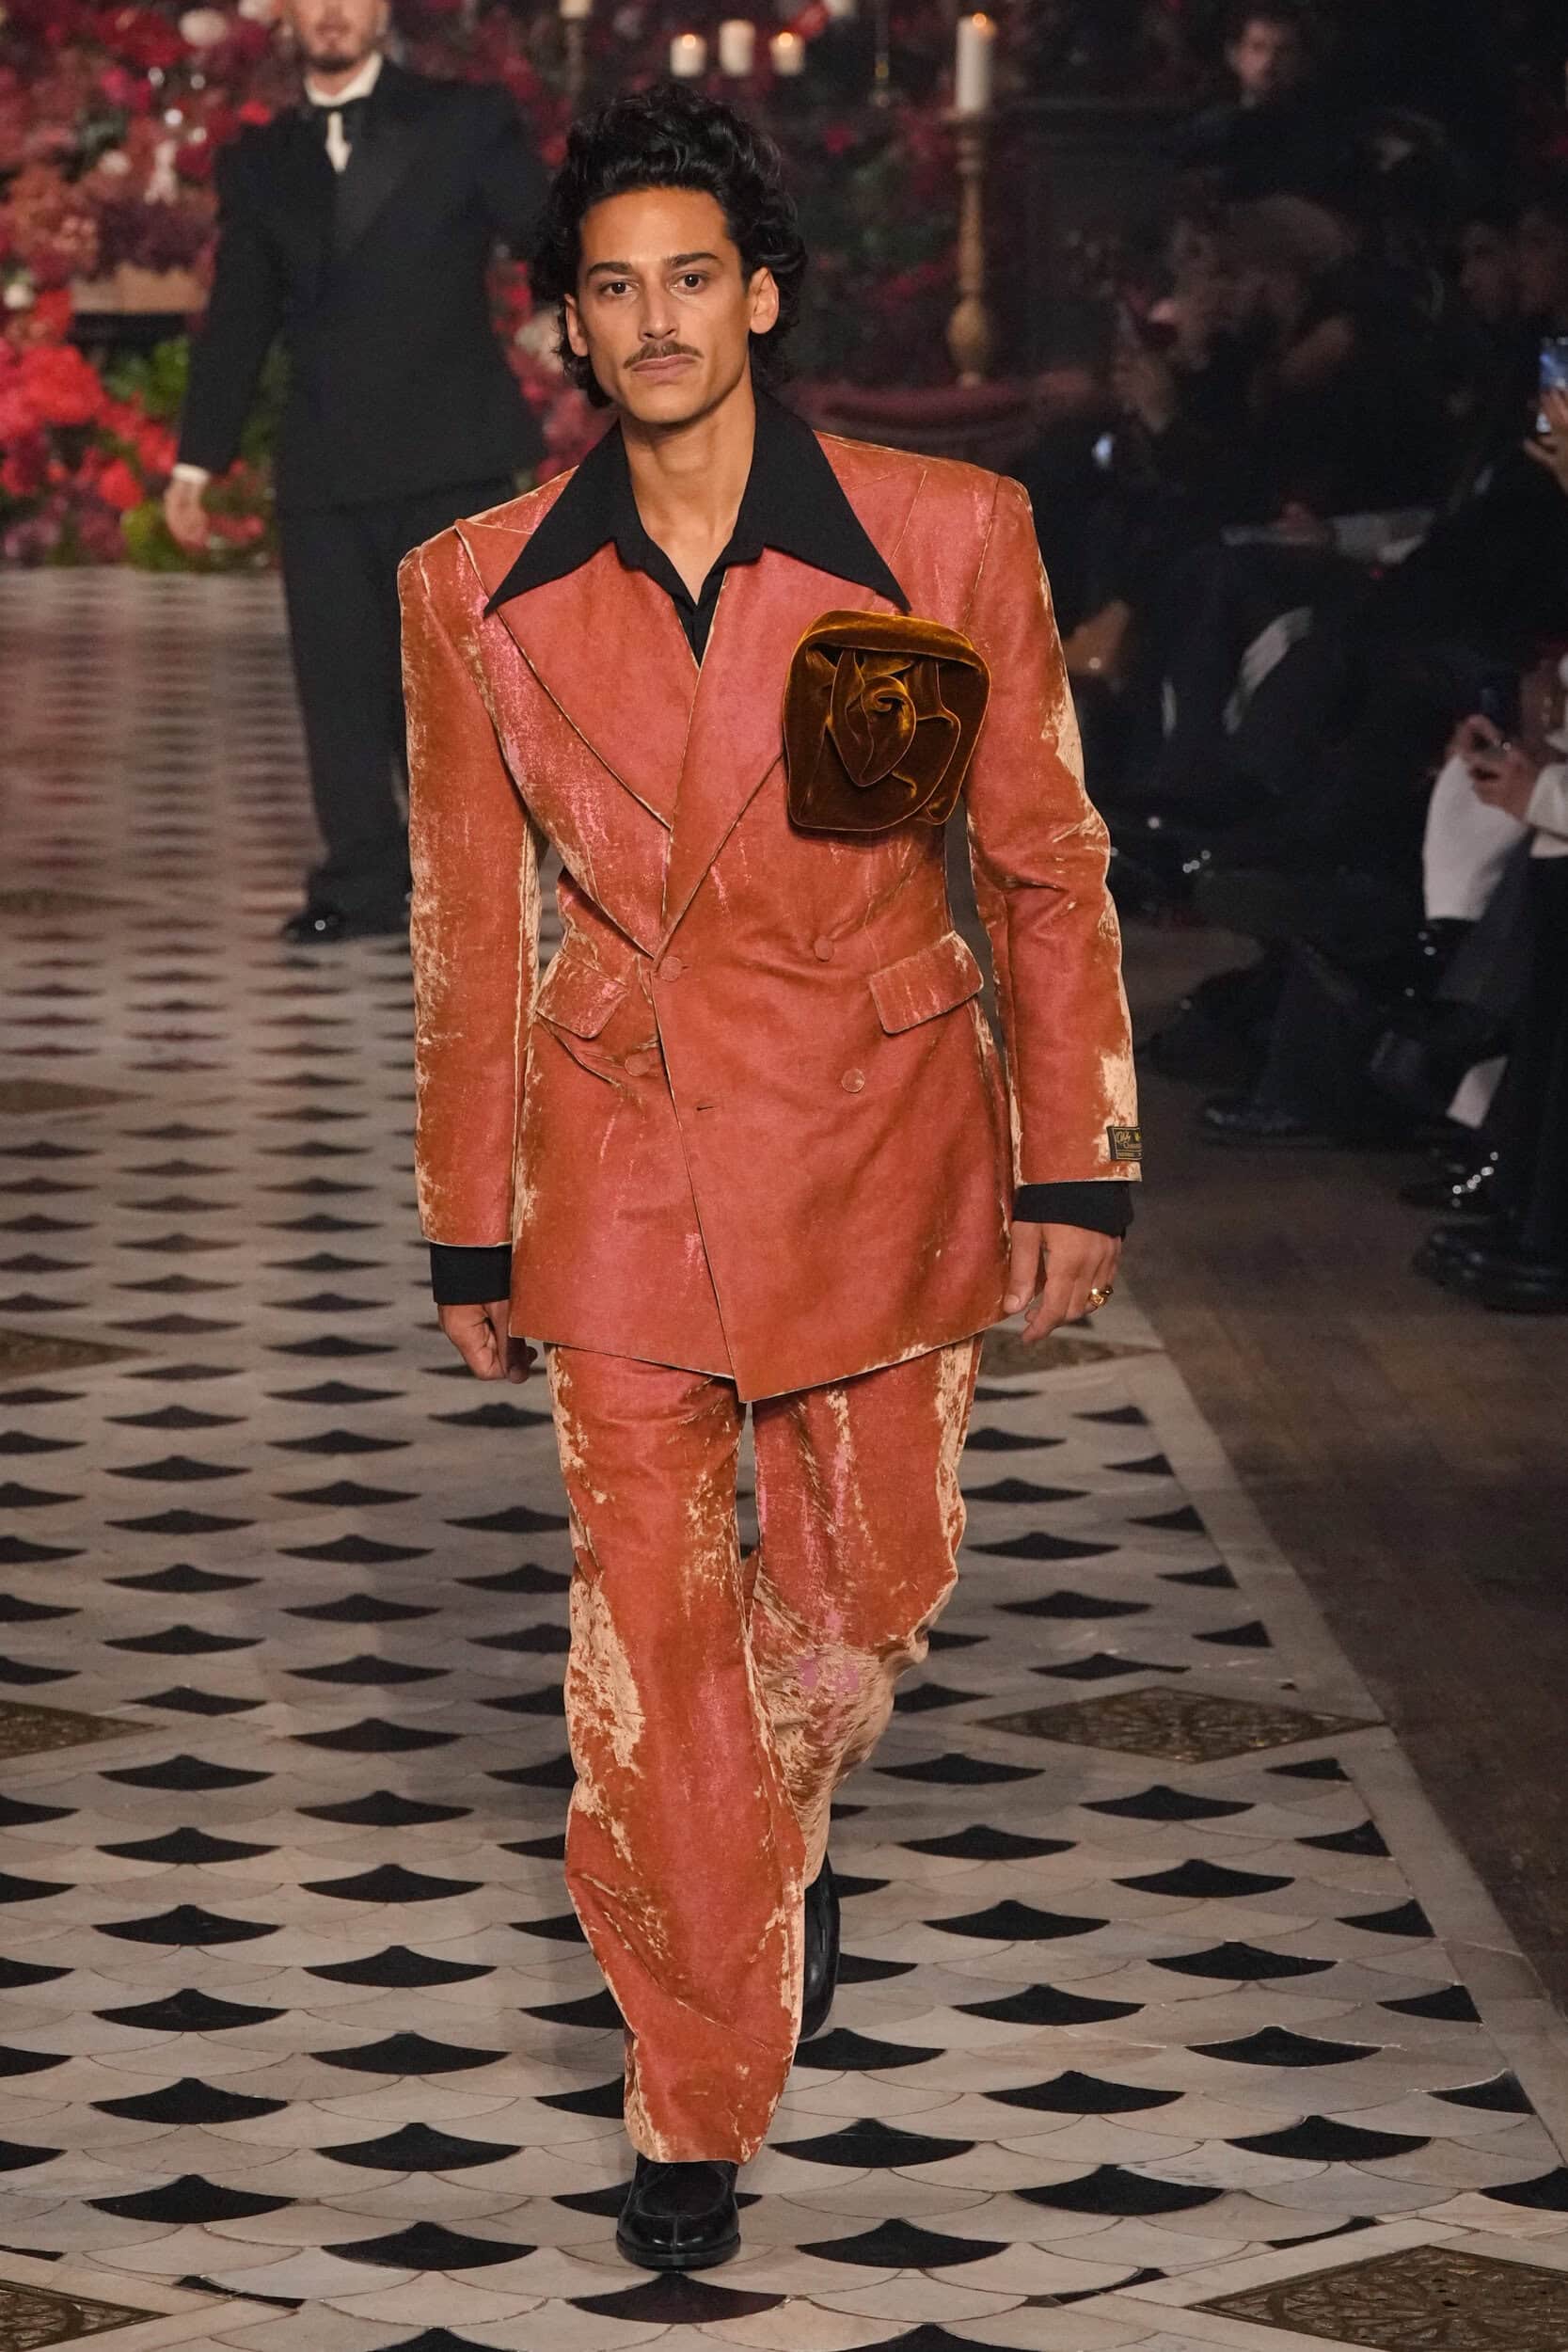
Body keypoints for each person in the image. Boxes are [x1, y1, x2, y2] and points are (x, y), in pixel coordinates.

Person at [400, 87, 1139, 2271]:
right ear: (567, 323)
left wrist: (1076, 1163)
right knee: (647, 1632)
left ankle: (765, 1841)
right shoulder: (473, 588)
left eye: (689, 279)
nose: (651, 320)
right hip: (619, 1151)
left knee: (866, 1588)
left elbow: (1042, 862)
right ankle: (694, 2089)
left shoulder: (944, 533)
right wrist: (466, 1214)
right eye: (610, 287)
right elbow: (466, 918)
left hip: (883, 1137)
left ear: (762, 298)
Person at [165, 0, 546, 945]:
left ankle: (477, 876)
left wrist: (578, 317)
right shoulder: (262, 160)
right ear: (287, 16)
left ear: (380, 10)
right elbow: (240, 315)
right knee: (336, 685)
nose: (332, 12)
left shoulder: (462, 118)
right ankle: (361, 883)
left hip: (449, 454)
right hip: (326, 459)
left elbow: (547, 234)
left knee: (457, 687)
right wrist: (196, 462)